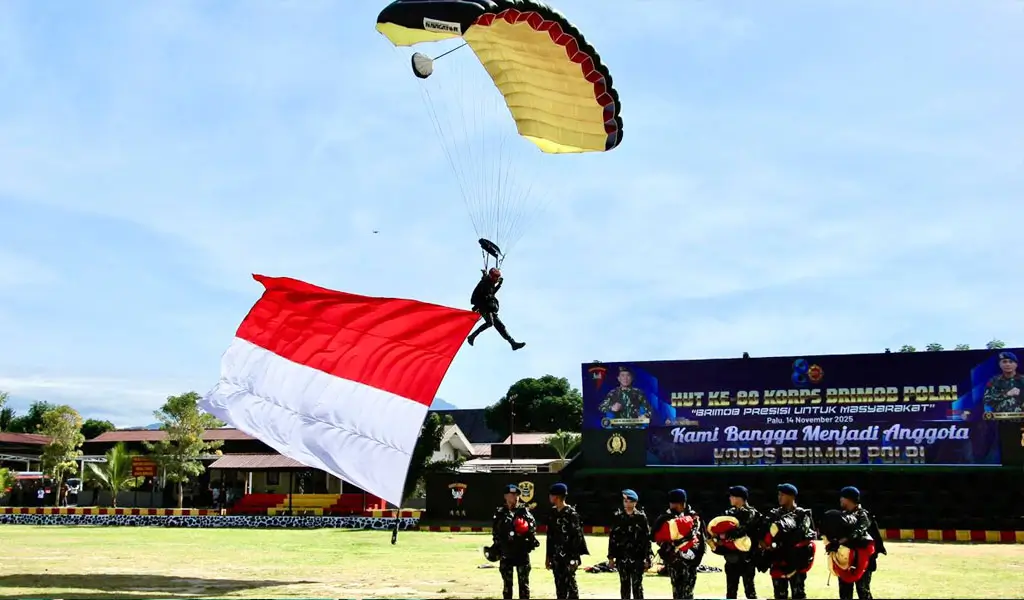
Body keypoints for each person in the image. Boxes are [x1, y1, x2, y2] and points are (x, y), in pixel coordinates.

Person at [763, 483, 815, 600]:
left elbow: (806, 534)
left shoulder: (802, 514)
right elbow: (765, 533)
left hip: (796, 560)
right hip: (777, 559)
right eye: (779, 495)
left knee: (798, 594)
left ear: (791, 497)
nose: (779, 497)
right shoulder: (774, 514)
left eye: (782, 495)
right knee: (779, 595)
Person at [833, 487, 885, 600]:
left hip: (863, 560)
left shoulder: (864, 515)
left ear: (849, 499)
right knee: (844, 593)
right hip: (845, 559)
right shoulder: (842, 515)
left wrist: (841, 541)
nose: (840, 500)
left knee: (863, 591)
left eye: (842, 497)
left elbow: (858, 532)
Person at [651, 488, 704, 599]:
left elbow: (699, 539)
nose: (673, 506)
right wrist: (664, 545)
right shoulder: (664, 518)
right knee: (677, 592)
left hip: (690, 561)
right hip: (673, 562)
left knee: (688, 593)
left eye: (677, 503)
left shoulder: (694, 517)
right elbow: (654, 537)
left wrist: (696, 558)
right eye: (672, 503)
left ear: (683, 503)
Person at [491, 484, 540, 599]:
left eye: (517, 494)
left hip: (521, 553)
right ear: (506, 496)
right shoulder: (500, 513)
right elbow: (495, 532)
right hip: (506, 553)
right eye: (512, 494)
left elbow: (533, 530)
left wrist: (525, 531)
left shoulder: (524, 512)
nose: (516, 497)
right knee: (507, 586)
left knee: (524, 586)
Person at [714, 485, 762, 600]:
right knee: (731, 593)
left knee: (750, 591)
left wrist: (724, 535)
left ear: (739, 498)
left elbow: (740, 531)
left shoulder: (752, 513)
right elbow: (719, 527)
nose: (730, 498)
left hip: (747, 559)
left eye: (732, 496)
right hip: (731, 558)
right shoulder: (728, 512)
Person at [545, 483, 589, 599]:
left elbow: (577, 537)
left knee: (571, 586)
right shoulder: (552, 513)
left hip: (569, 557)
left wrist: (574, 557)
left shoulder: (571, 514)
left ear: (557, 497)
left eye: (551, 495)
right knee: (559, 586)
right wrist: (548, 557)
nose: (549, 497)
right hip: (556, 556)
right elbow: (550, 537)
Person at [607, 488, 652, 599]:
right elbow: (612, 538)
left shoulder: (641, 518)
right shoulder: (618, 517)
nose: (627, 504)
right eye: (625, 501)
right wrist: (611, 558)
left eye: (630, 501)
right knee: (624, 586)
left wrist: (648, 557)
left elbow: (646, 539)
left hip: (637, 557)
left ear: (635, 502)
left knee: (637, 586)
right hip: (622, 557)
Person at [467, 268, 526, 351]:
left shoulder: (489, 282)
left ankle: (512, 343)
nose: (497, 280)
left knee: (500, 326)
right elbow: (488, 294)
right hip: (483, 306)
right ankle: (472, 336)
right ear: (492, 277)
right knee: (490, 323)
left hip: (487, 307)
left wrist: (499, 285)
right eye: (496, 278)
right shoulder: (485, 283)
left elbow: (491, 292)